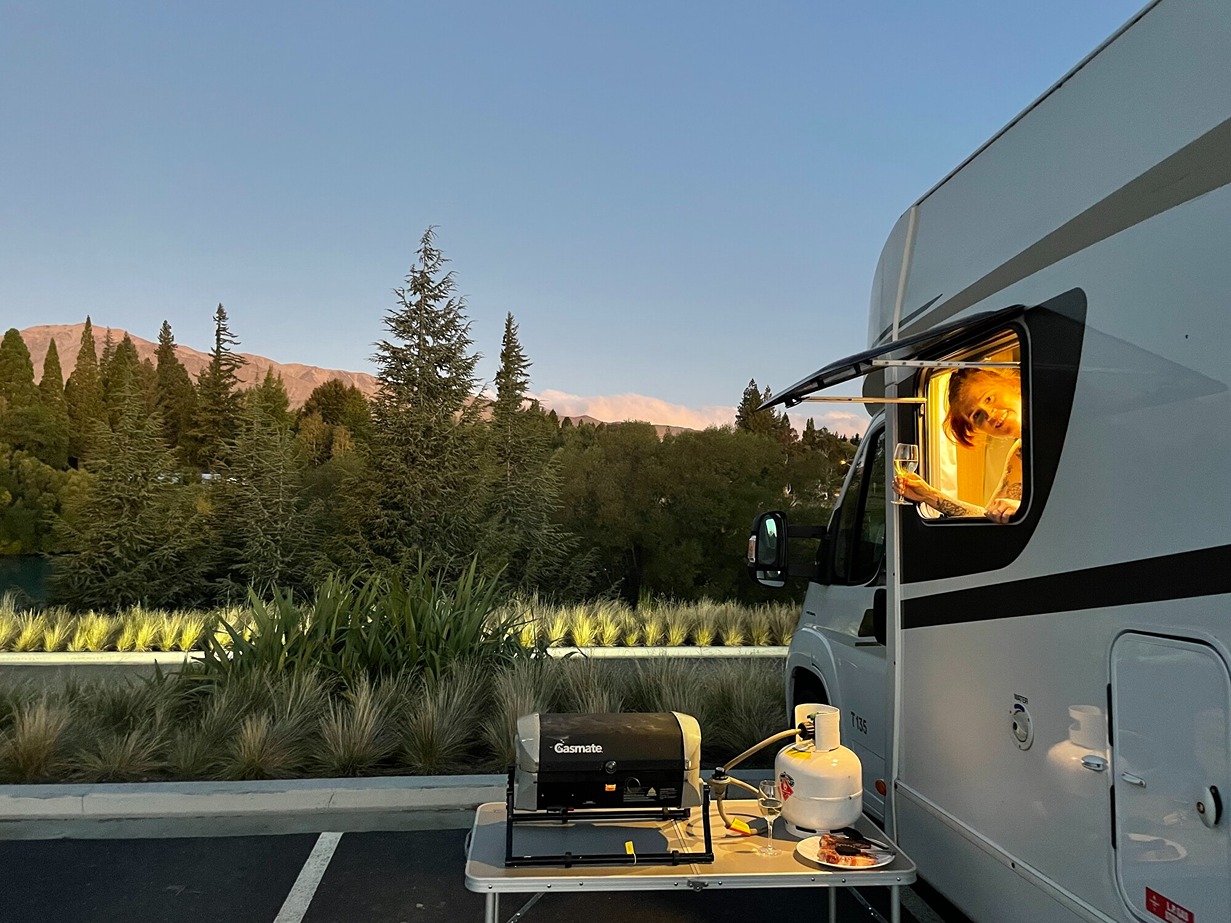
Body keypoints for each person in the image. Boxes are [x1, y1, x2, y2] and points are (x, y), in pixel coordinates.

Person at [893, 367, 1023, 523]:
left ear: (1012, 385)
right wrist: (929, 495)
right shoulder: (1019, 452)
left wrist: (1021, 509)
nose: (989, 414)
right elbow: (987, 517)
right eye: (977, 415)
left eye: (989, 398)